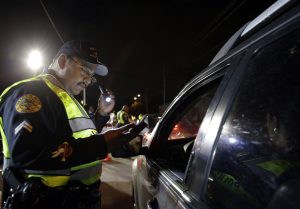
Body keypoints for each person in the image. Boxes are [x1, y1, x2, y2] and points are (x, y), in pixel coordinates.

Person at [0, 40, 140, 209]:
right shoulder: (32, 93)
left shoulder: (63, 96)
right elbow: (28, 154)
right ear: (62, 61)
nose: (88, 80)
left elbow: (77, 135)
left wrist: (101, 114)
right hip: (44, 201)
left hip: (77, 199)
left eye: (92, 76)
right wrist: (102, 144)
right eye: (85, 70)